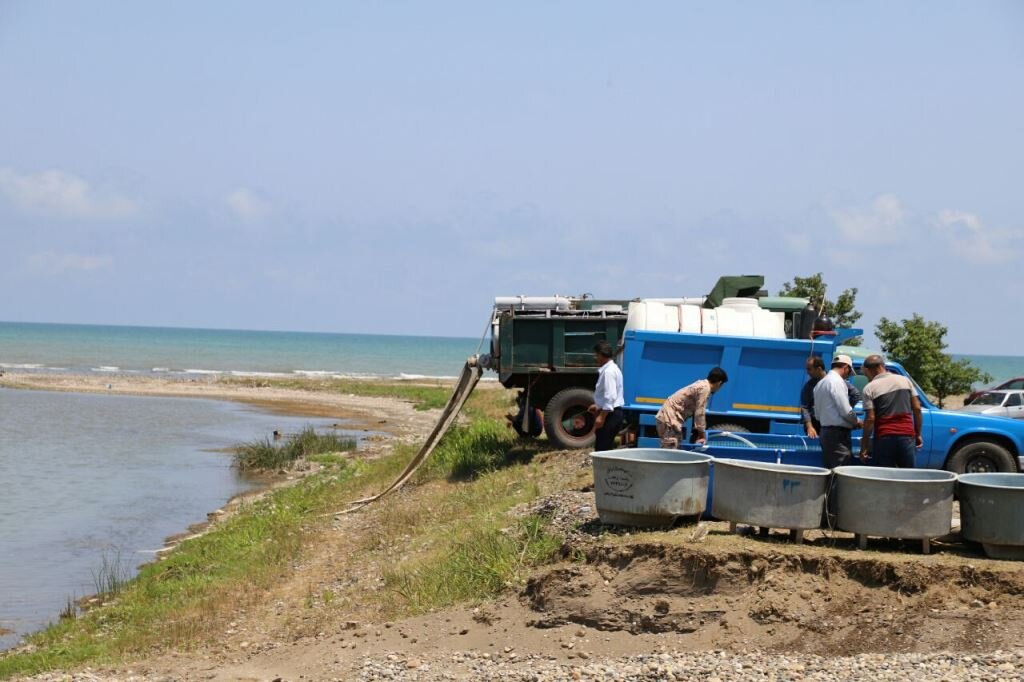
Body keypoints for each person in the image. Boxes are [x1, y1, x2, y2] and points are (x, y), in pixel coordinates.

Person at [859, 354, 923, 468]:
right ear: (883, 365)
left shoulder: (869, 388)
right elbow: (917, 408)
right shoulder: (905, 380)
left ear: (868, 370)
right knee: (908, 475)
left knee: (884, 477)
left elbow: (870, 418)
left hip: (884, 438)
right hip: (907, 436)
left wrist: (864, 446)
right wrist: (917, 434)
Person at [655, 367, 729, 448]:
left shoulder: (701, 384)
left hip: (668, 417)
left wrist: (697, 432)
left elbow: (695, 412)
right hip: (669, 418)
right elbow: (700, 413)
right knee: (670, 449)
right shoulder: (705, 389)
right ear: (719, 383)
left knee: (674, 447)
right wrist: (702, 435)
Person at [812, 354, 862, 469]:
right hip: (838, 435)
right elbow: (846, 411)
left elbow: (818, 415)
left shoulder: (820, 384)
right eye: (849, 372)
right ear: (845, 367)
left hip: (825, 432)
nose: (848, 376)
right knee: (840, 471)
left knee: (830, 470)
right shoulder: (837, 382)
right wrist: (856, 421)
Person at [801, 356, 862, 439]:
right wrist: (809, 427)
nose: (807, 372)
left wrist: (845, 408)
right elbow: (805, 407)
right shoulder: (809, 386)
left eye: (809, 369)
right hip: (817, 425)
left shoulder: (835, 381)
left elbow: (856, 395)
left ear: (818, 369)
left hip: (834, 427)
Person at [588, 341, 624, 451]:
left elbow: (610, 396)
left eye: (597, 355)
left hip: (610, 415)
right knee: (604, 446)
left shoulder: (608, 372)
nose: (596, 358)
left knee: (602, 449)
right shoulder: (613, 368)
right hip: (612, 412)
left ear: (601, 355)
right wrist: (598, 405)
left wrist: (601, 417)